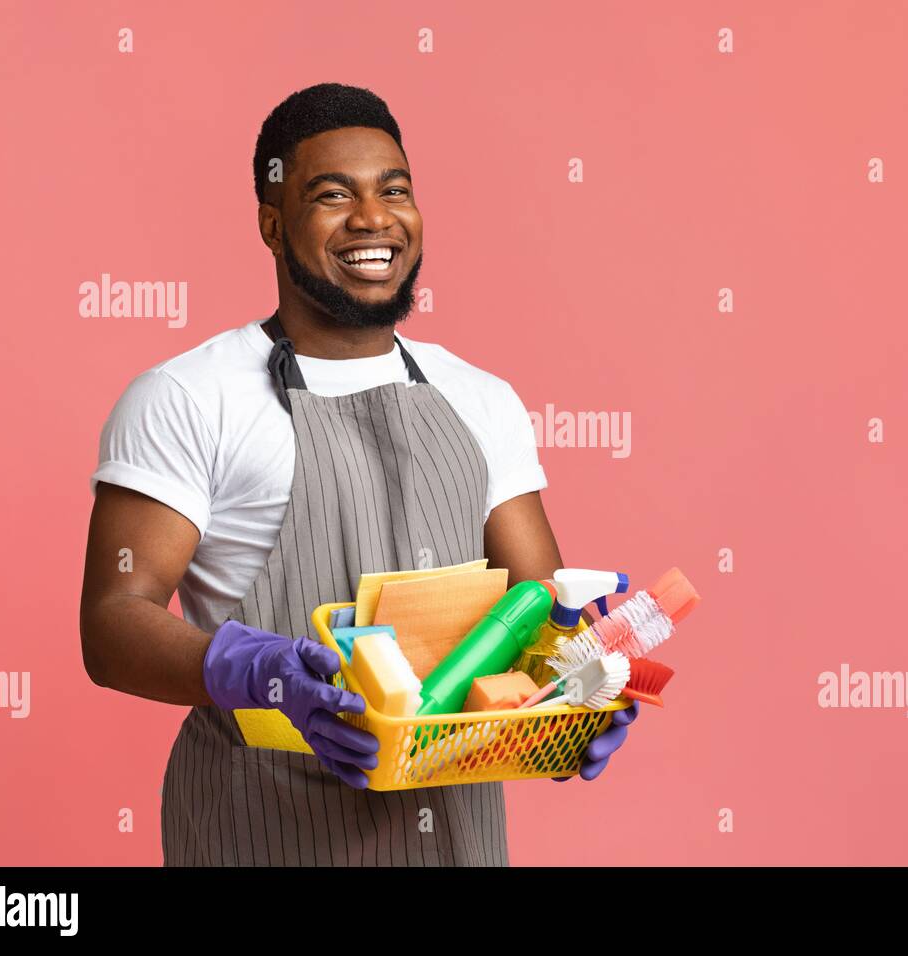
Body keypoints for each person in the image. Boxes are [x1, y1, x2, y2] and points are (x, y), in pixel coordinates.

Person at [78, 83, 638, 867]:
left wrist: (571, 694)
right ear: (273, 226)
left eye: (395, 190)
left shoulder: (480, 399)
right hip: (260, 832)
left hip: (457, 841)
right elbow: (111, 624)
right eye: (333, 195)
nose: (374, 219)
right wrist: (255, 669)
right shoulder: (186, 398)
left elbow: (537, 609)